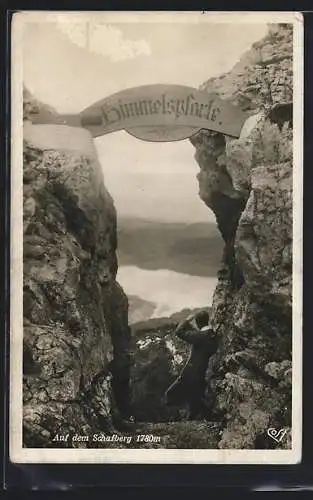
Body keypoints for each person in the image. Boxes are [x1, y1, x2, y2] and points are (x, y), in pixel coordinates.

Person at [164, 310, 219, 420]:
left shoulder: (200, 337)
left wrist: (187, 320)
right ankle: (205, 417)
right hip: (201, 372)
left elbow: (179, 332)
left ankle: (173, 419)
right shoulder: (212, 335)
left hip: (190, 373)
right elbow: (198, 334)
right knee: (194, 399)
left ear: (198, 323)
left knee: (169, 395)